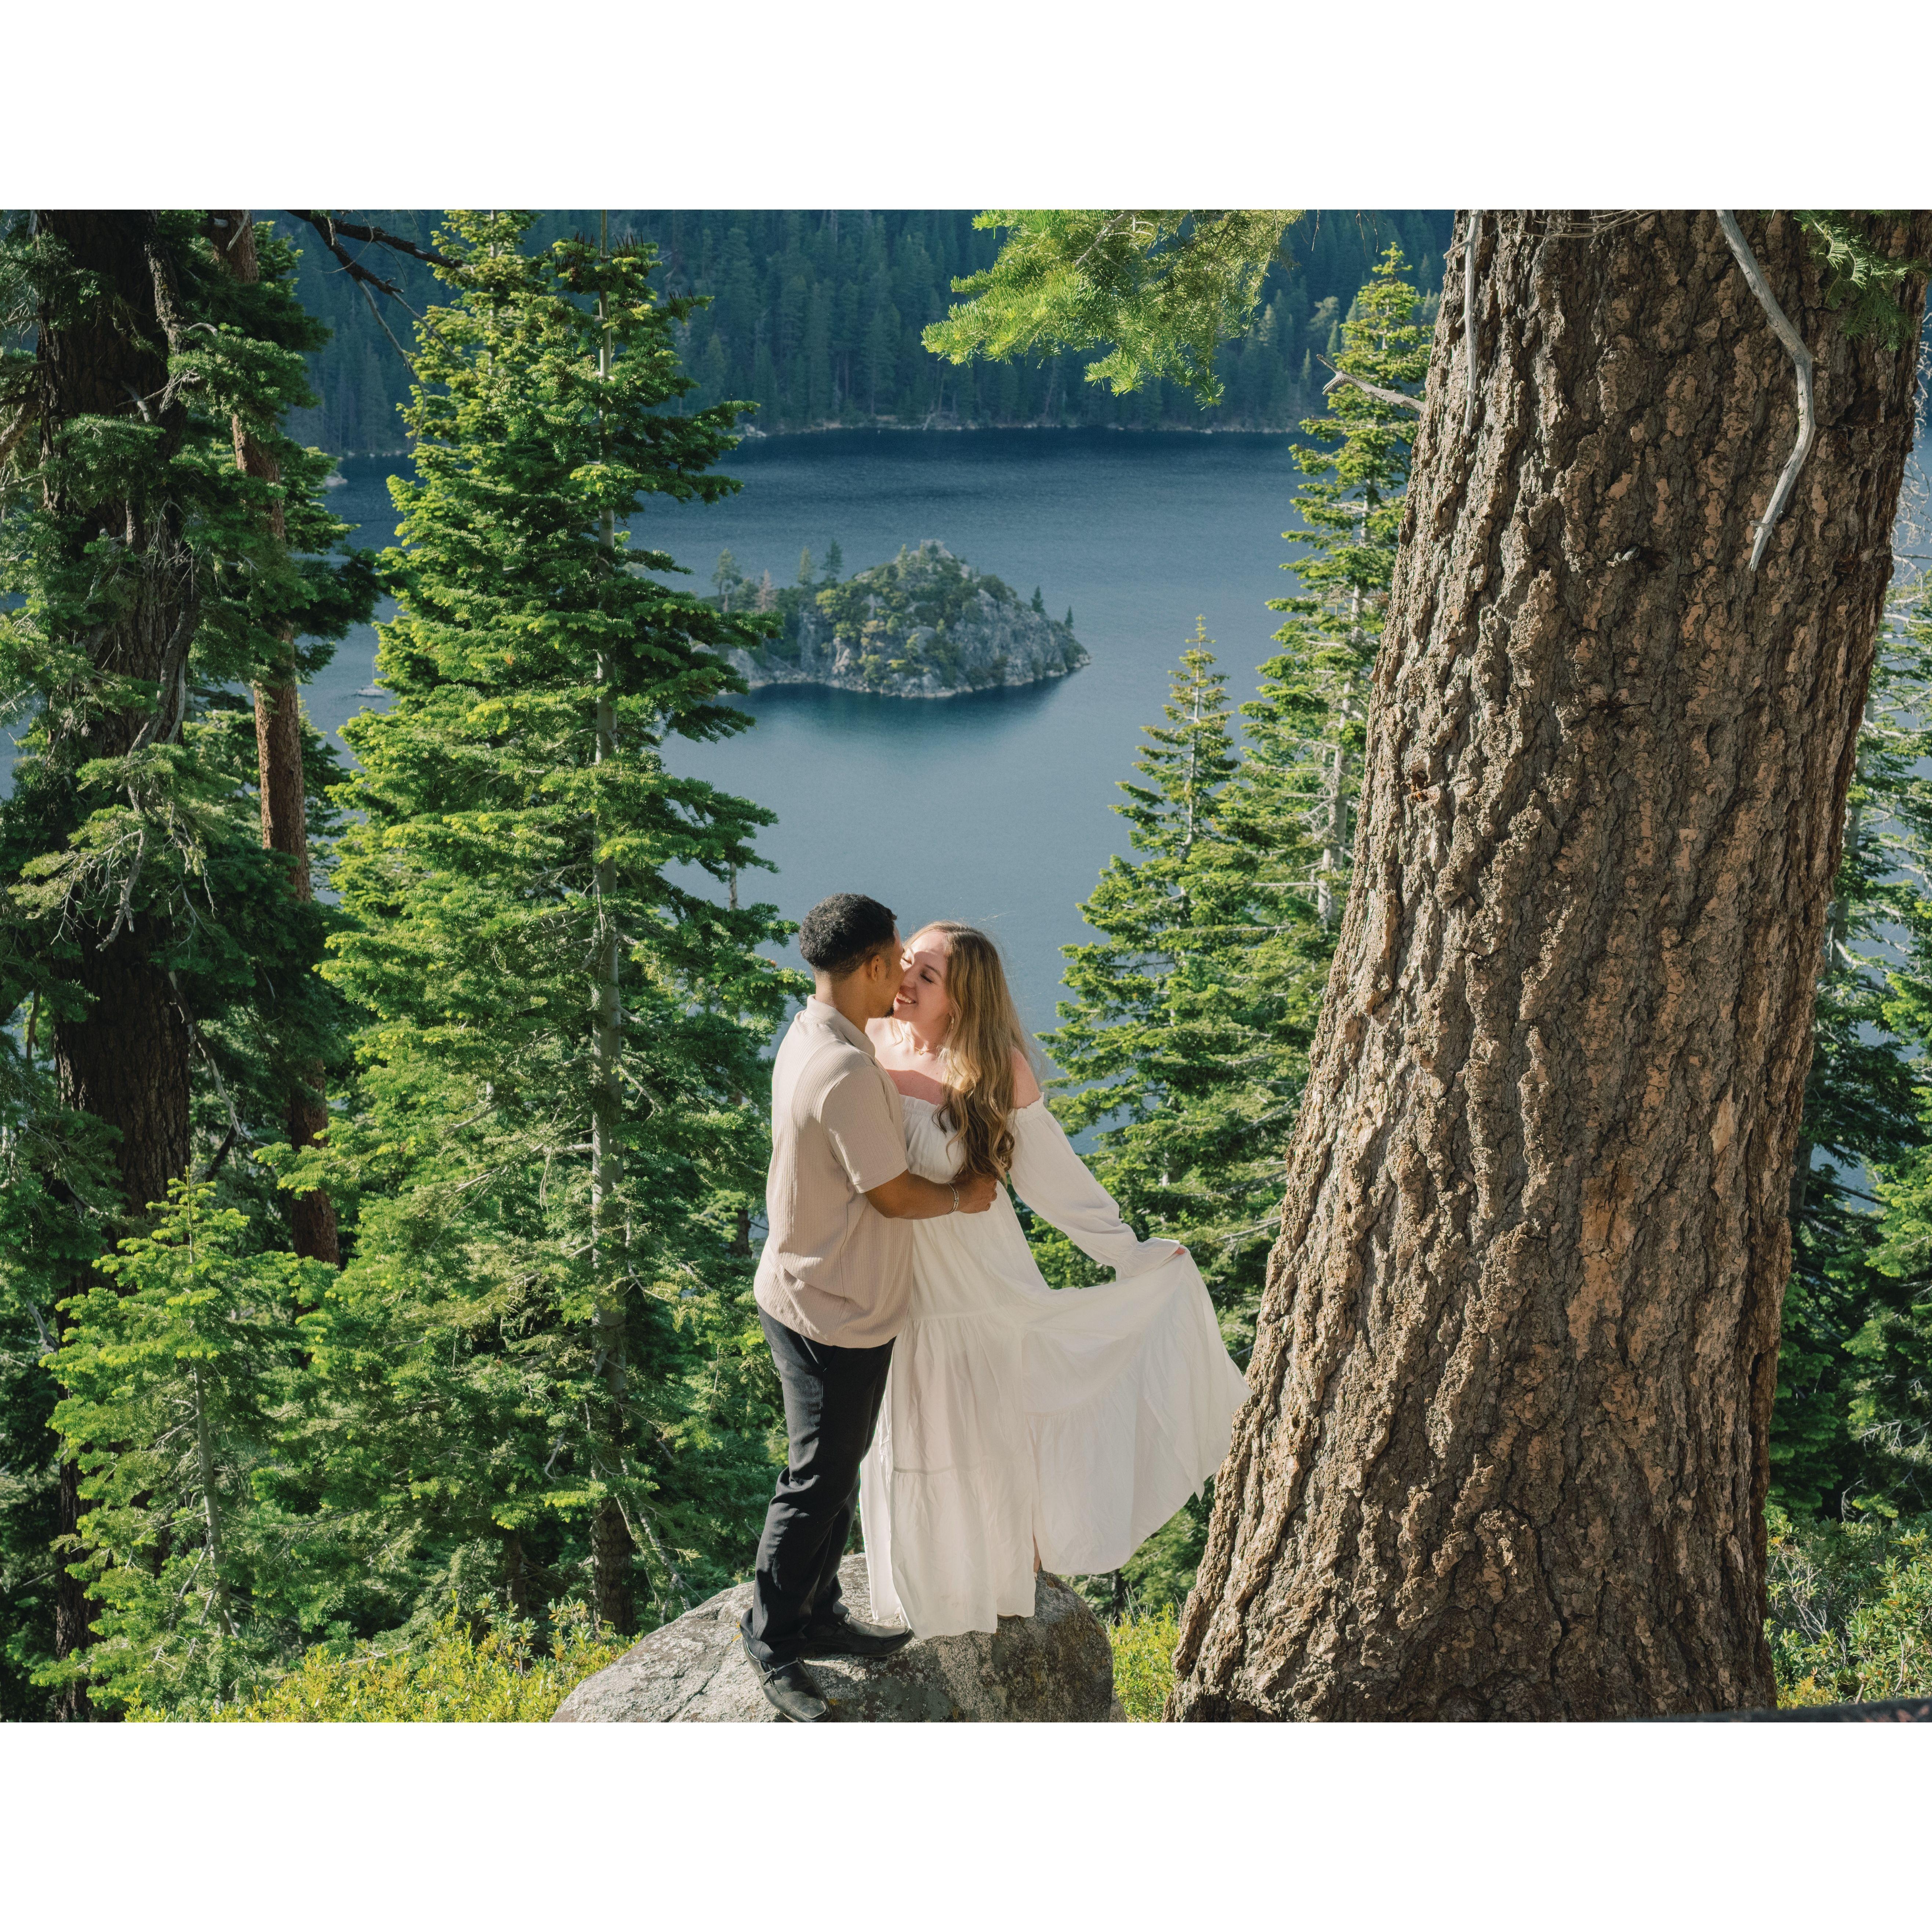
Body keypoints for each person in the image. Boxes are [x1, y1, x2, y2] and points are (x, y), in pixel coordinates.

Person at [858, 922, 1250, 1638]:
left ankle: (1007, 1586)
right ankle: (921, 1591)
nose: (905, 980)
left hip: (977, 1284)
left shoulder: (995, 1070)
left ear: (961, 998)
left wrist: (1129, 1254)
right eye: (906, 962)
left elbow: (1053, 1183)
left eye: (927, 976)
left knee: (988, 1436)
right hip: (895, 1283)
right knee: (906, 1434)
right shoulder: (867, 1041)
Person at [742, 893, 997, 1721]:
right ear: (874, 966)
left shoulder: (815, 1033)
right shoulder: (848, 1071)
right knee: (816, 1476)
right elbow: (891, 1193)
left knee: (837, 1464)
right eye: (899, 961)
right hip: (830, 1307)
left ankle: (818, 1610)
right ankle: (772, 1640)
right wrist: (963, 1196)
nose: (905, 976)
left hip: (821, 1287)